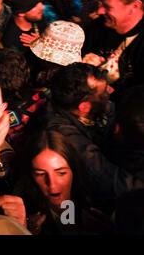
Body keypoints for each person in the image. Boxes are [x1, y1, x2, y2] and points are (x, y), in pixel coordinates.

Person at [47, 63, 144, 205]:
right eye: (104, 92)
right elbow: (107, 179)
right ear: (84, 107)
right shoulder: (63, 135)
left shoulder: (100, 108)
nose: (111, 91)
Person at [17, 127, 113, 235]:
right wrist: (25, 231)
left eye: (61, 173)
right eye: (40, 174)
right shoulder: (24, 209)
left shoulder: (98, 200)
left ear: (73, 169)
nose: (52, 185)